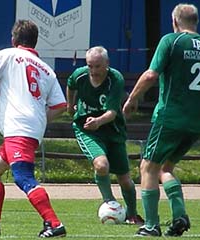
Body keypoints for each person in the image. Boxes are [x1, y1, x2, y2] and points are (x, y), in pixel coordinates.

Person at [0, 20, 67, 238]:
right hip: (29, 129)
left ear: (14, 40)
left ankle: (54, 223)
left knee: (23, 177)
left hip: (18, 128)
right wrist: (39, 120)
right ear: (35, 41)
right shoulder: (47, 69)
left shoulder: (8, 55)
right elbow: (61, 106)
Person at [123, 3, 199, 237]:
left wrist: (132, 99)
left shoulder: (171, 40)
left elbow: (151, 74)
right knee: (166, 168)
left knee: (147, 166)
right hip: (195, 122)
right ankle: (179, 216)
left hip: (170, 117)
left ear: (174, 21)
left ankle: (151, 225)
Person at [66, 46, 144, 225]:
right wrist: (70, 106)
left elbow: (112, 112)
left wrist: (98, 121)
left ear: (107, 64)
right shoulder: (80, 75)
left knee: (125, 179)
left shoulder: (115, 79)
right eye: (90, 66)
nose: (93, 71)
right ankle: (110, 203)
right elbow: (71, 85)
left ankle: (132, 214)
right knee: (101, 165)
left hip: (112, 130)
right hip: (86, 129)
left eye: (98, 66)